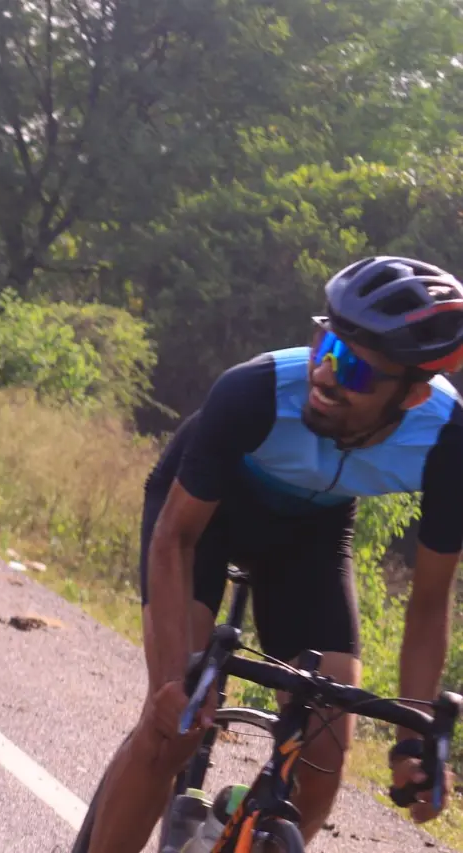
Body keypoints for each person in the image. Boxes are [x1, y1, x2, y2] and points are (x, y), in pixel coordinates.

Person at [81, 256, 463, 853]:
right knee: (172, 734)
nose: (326, 374)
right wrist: (170, 687)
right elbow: (175, 538)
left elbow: (429, 600)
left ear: (413, 395)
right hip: (202, 520)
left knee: (323, 760)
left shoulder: (448, 441)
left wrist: (414, 741)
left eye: (355, 369)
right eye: (324, 344)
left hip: (309, 535)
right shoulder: (254, 389)